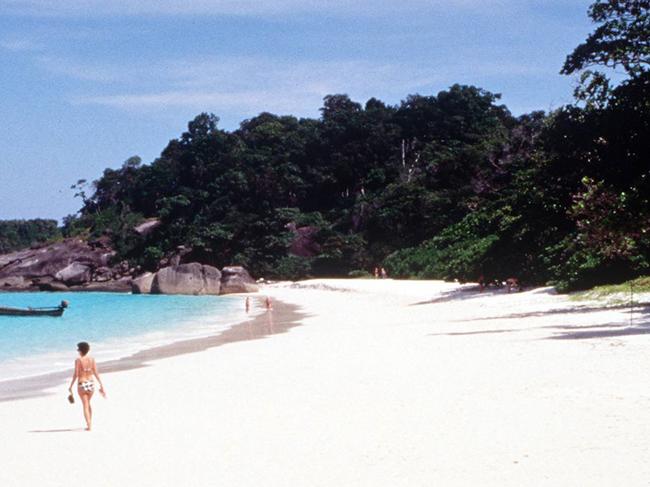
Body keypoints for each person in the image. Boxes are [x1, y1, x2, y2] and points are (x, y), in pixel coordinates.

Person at [68, 342, 106, 431]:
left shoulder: (78, 360)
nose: (78, 351)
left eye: (78, 349)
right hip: (91, 383)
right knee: (88, 403)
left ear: (80, 350)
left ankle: (89, 426)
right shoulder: (92, 359)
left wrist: (71, 386)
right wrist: (101, 384)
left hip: (82, 383)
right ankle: (90, 424)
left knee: (85, 405)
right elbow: (96, 372)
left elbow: (76, 374)